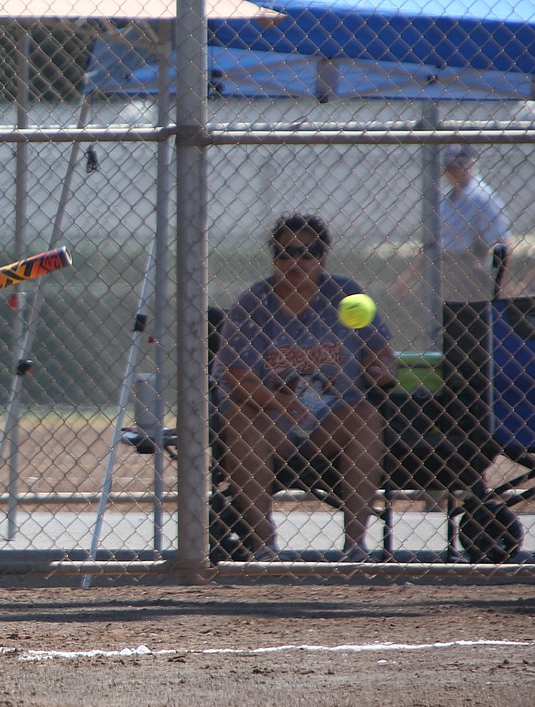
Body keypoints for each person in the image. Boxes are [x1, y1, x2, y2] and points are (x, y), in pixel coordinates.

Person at [214, 213, 397, 562]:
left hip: (332, 419)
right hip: (273, 419)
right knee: (237, 415)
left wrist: (380, 370)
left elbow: (383, 355)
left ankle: (356, 545)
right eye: (285, 253)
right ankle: (264, 542)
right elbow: (236, 378)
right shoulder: (252, 305)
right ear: (274, 259)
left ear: (323, 258)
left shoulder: (347, 295)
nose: (295, 261)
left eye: (307, 253)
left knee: (366, 415)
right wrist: (280, 401)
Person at [391, 144, 511, 303]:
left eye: (459, 167)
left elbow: (504, 244)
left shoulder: (482, 197)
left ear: (471, 165)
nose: (453, 172)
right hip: (442, 268)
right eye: (450, 167)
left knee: (471, 323)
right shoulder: (446, 198)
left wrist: (501, 286)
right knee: (445, 321)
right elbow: (434, 243)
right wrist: (408, 277)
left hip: (471, 268)